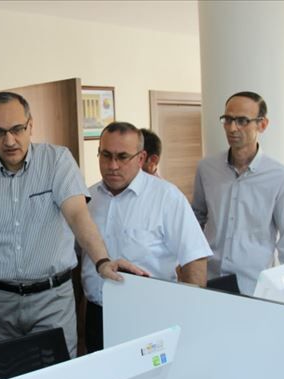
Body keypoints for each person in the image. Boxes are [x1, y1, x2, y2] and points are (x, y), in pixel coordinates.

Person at [0, 91, 145, 357]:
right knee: (6, 378)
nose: (9, 141)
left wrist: (102, 261)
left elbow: (77, 215)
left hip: (51, 300)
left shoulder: (57, 161)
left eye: (17, 129)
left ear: (30, 125)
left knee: (59, 376)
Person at [81, 122, 212, 353]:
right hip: (97, 314)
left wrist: (189, 317)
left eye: (122, 157)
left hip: (149, 315)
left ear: (141, 158)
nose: (112, 165)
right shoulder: (88, 199)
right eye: (106, 155)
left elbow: (195, 260)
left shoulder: (167, 197)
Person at [192, 91, 284, 294]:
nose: (232, 128)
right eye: (228, 120)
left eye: (242, 121)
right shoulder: (206, 168)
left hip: (254, 286)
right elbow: (195, 220)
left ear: (262, 124)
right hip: (210, 280)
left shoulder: (282, 178)